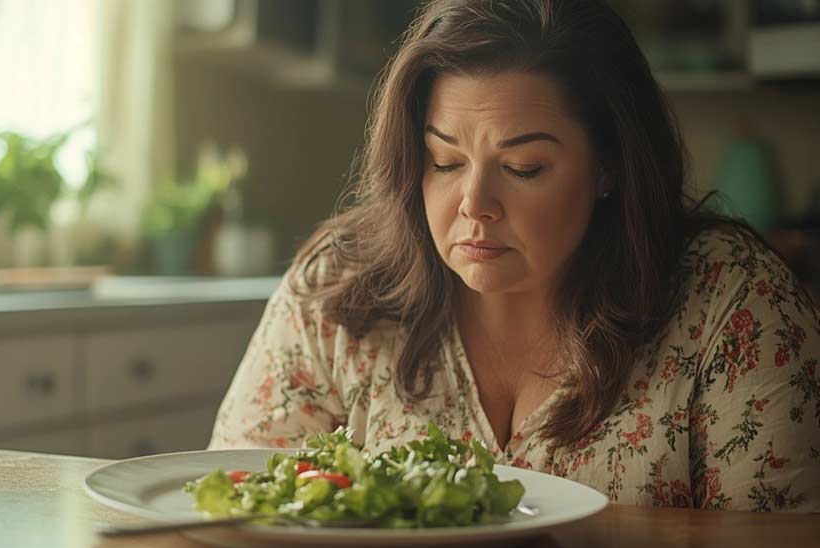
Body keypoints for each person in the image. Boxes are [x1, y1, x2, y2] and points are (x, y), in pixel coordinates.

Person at [208, 0, 820, 511]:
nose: (474, 203)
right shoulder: (339, 290)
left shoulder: (731, 304)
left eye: (523, 168)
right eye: (444, 161)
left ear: (608, 164)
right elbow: (240, 514)